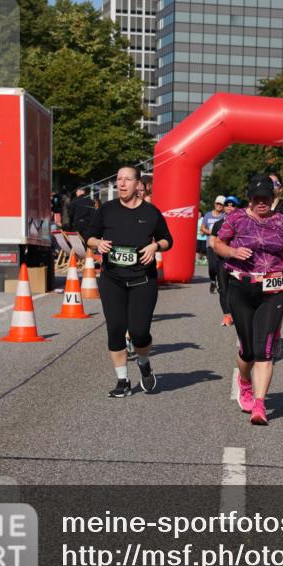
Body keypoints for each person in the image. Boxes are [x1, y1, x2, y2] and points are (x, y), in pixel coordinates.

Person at [211, 175, 283, 425]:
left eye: (266, 197)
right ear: (249, 198)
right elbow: (217, 244)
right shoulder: (236, 218)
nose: (262, 202)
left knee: (264, 351)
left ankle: (260, 405)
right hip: (241, 287)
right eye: (257, 198)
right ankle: (245, 381)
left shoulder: (282, 222)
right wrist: (233, 251)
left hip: (273, 289)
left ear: (273, 198)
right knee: (248, 351)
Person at [85, 166, 172, 398]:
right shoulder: (107, 210)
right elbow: (90, 236)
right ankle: (122, 381)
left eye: (127, 179)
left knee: (139, 332)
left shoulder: (151, 212)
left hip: (142, 279)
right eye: (119, 179)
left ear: (138, 184)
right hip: (112, 279)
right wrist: (97, 243)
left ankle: (143, 363)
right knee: (115, 329)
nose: (122, 184)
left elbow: (167, 240)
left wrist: (155, 246)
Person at [210, 197, 237, 326]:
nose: (229, 208)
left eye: (233, 205)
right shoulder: (218, 224)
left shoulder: (242, 223)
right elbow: (212, 240)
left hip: (238, 261)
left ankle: (238, 312)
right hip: (222, 260)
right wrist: (217, 249)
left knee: (237, 288)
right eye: (227, 205)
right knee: (223, 288)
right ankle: (227, 315)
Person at [200, 197, 226, 290]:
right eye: (218, 203)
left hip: (221, 245)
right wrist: (212, 232)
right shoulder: (208, 215)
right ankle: (212, 280)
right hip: (210, 244)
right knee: (212, 267)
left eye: (221, 204)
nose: (219, 206)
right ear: (214, 204)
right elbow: (202, 228)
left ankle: (220, 283)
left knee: (220, 266)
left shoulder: (224, 216)